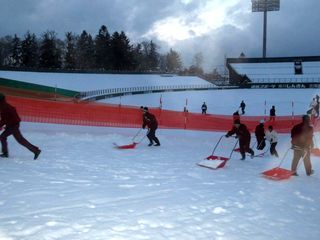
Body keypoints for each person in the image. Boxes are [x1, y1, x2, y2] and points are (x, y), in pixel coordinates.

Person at [0, 93, 41, 159]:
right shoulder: (4, 106)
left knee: (20, 140)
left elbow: (5, 119)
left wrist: (4, 125)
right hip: (11, 125)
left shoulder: (4, 107)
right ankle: (5, 153)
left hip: (13, 126)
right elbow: (6, 118)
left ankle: (36, 150)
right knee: (2, 137)